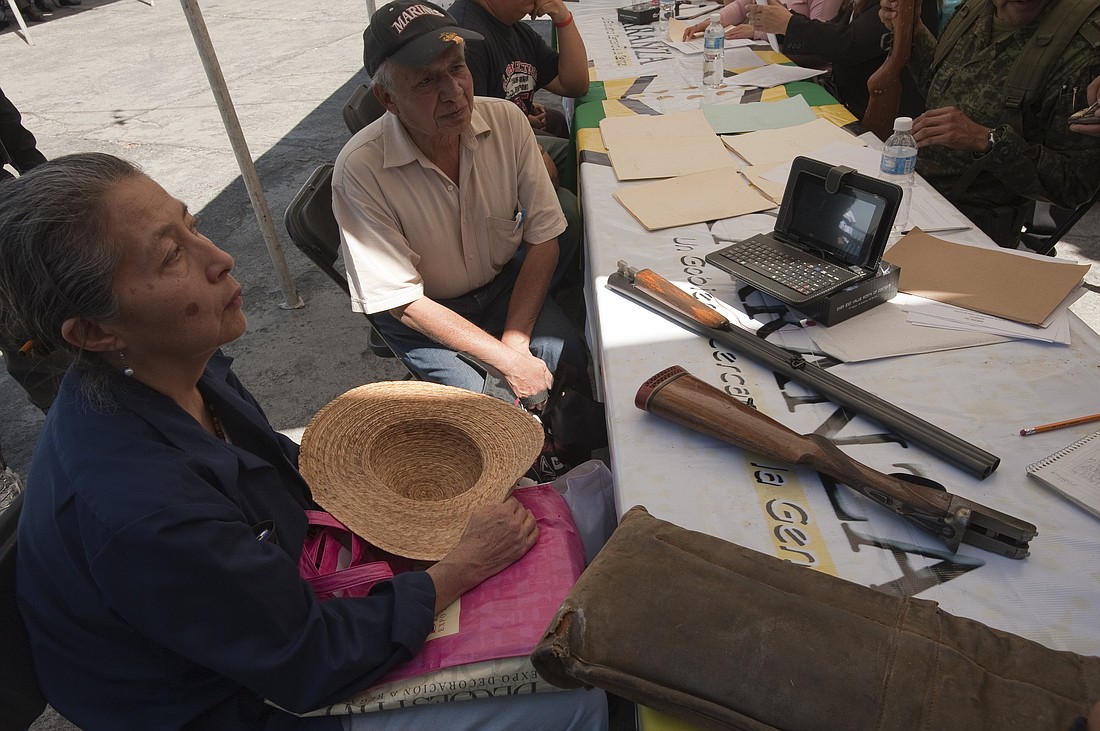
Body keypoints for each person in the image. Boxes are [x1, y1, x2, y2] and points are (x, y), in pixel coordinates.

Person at [0, 153, 607, 730]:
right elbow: (307, 659)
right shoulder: (143, 506)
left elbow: (282, 477)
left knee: (582, 506)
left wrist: (415, 515)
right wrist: (455, 569)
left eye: (191, 226)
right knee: (578, 703)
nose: (219, 258)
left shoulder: (180, 367)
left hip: (275, 608)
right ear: (94, 332)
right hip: (231, 706)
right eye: (168, 258)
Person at [333, 1, 589, 405]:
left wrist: (514, 344)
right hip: (423, 312)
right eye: (426, 81)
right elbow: (404, 302)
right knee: (489, 407)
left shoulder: (506, 121)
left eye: (457, 68)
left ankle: (568, 450)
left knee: (570, 356)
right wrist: (506, 362)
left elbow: (544, 237)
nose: (454, 94)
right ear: (388, 98)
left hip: (500, 284)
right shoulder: (361, 169)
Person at [879, 0, 1100, 247]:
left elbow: (1073, 186)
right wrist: (911, 29)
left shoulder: (1082, 50)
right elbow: (941, 86)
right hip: (913, 196)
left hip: (970, 231)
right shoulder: (975, 12)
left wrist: (988, 141)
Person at [683, 0, 842, 44]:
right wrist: (712, 22)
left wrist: (758, 32)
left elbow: (822, 37)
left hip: (807, 68)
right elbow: (742, 6)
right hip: (770, 58)